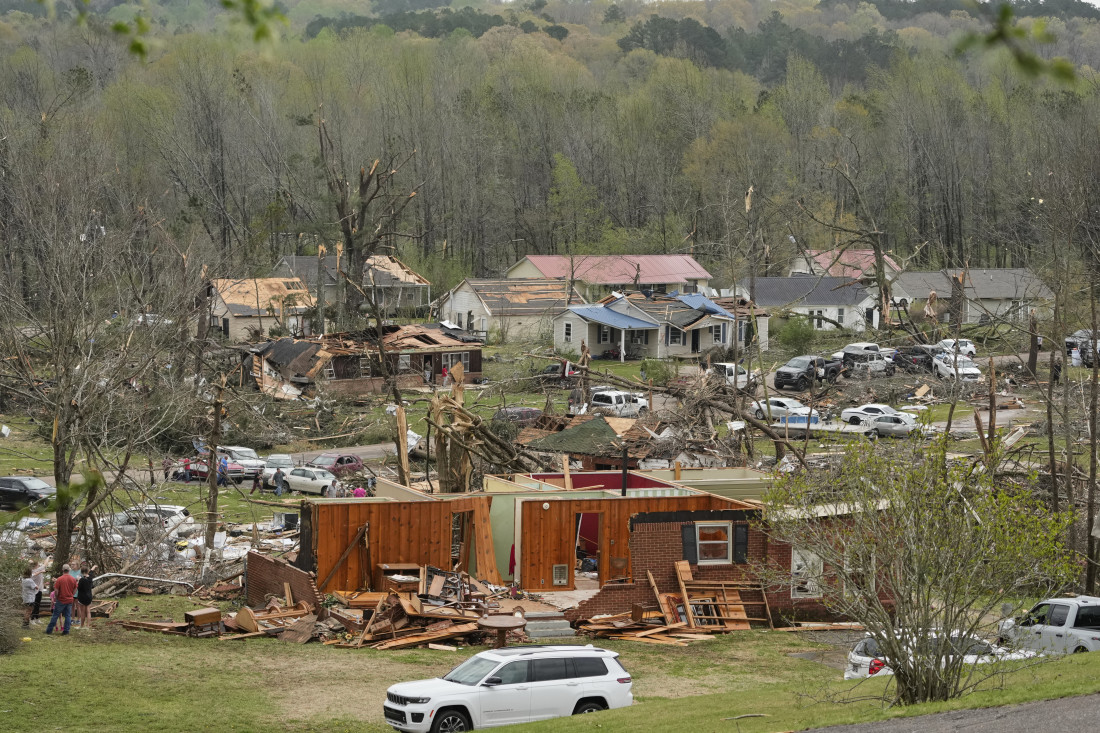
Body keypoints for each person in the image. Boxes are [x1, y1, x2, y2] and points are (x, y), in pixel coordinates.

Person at [45, 564, 78, 635]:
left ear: (62, 570)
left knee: (55, 615)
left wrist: (57, 597)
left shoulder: (59, 579)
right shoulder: (73, 579)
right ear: (69, 570)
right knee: (68, 616)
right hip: (69, 600)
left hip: (61, 600)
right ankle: (66, 631)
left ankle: (49, 630)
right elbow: (75, 588)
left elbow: (56, 590)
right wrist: (72, 594)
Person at [75, 561, 96, 630]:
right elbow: (91, 572)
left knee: (83, 612)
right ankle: (88, 626)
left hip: (82, 597)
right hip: (89, 596)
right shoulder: (90, 578)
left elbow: (79, 588)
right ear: (88, 571)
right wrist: (93, 567)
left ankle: (82, 625)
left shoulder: (81, 580)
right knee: (88, 611)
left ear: (81, 572)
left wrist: (78, 581)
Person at [31, 557, 46, 623]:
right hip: (35, 590)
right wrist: (48, 557)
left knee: (38, 604)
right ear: (36, 566)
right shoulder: (33, 571)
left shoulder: (38, 570)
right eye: (38, 565)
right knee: (35, 604)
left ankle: (36, 618)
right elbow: (45, 564)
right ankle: (32, 619)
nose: (39, 566)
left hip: (39, 589)